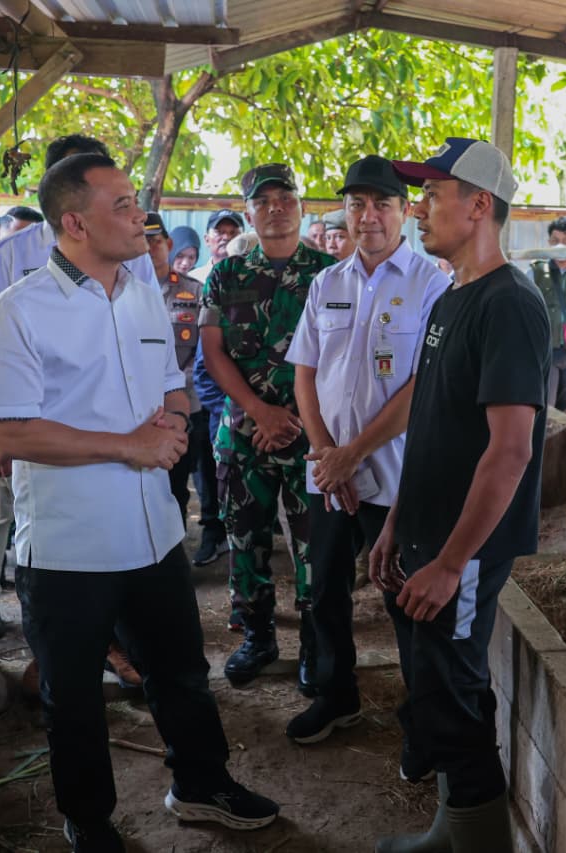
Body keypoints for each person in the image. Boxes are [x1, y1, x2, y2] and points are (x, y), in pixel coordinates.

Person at [0, 152, 279, 851]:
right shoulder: (17, 312)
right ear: (74, 222)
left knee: (180, 672)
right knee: (74, 694)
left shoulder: (144, 295)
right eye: (121, 205)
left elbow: (171, 386)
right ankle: (88, 819)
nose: (140, 215)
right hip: (69, 545)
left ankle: (200, 783)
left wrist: (172, 424)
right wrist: (128, 446)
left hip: (152, 533)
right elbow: (10, 432)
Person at [371, 138, 549, 853]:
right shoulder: (453, 295)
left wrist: (450, 562)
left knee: (455, 689)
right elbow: (431, 422)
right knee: (435, 684)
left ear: (479, 205)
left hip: (463, 547)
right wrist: (397, 520)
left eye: (431, 195)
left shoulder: (509, 305)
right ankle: (453, 828)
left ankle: (479, 841)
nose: (418, 209)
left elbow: (510, 451)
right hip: (428, 528)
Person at [0, 134, 157, 681]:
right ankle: (49, 658)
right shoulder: (12, 258)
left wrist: (162, 423)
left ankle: (111, 648)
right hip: (37, 435)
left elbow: (146, 342)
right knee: (42, 550)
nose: (133, 212)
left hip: (125, 451)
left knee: (119, 562)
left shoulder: (131, 261)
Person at [284, 155, 449, 745]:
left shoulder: (432, 284)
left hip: (397, 476)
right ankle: (336, 696)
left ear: (404, 211)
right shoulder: (327, 282)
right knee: (325, 590)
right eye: (357, 204)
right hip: (329, 473)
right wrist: (328, 455)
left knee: (404, 595)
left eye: (382, 204)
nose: (368, 216)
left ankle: (423, 720)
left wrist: (353, 453)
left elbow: (423, 385)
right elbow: (305, 374)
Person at [199, 163, 336, 689]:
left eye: (285, 198)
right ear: (249, 212)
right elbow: (213, 352)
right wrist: (260, 412)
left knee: (313, 543)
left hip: (312, 435)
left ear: (301, 206)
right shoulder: (226, 275)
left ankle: (315, 643)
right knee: (245, 539)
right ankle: (258, 636)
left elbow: (341, 356)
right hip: (244, 433)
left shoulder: (330, 273)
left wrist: (295, 419)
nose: (275, 208)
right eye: (263, 201)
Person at [144, 212, 208, 529]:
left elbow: (204, 353)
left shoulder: (194, 292)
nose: (148, 248)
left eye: (155, 241)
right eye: (141, 241)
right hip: (137, 410)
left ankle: (174, 547)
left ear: (168, 245)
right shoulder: (117, 290)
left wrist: (174, 392)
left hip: (183, 406)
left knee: (176, 487)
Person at [529, 216, 566, 411]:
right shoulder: (536, 271)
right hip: (546, 348)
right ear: (548, 243)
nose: (560, 245)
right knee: (546, 407)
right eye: (555, 240)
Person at [189, 209, 244, 282]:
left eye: (233, 233)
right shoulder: (194, 279)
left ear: (244, 240)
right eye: (219, 232)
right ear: (207, 240)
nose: (226, 237)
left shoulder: (254, 277)